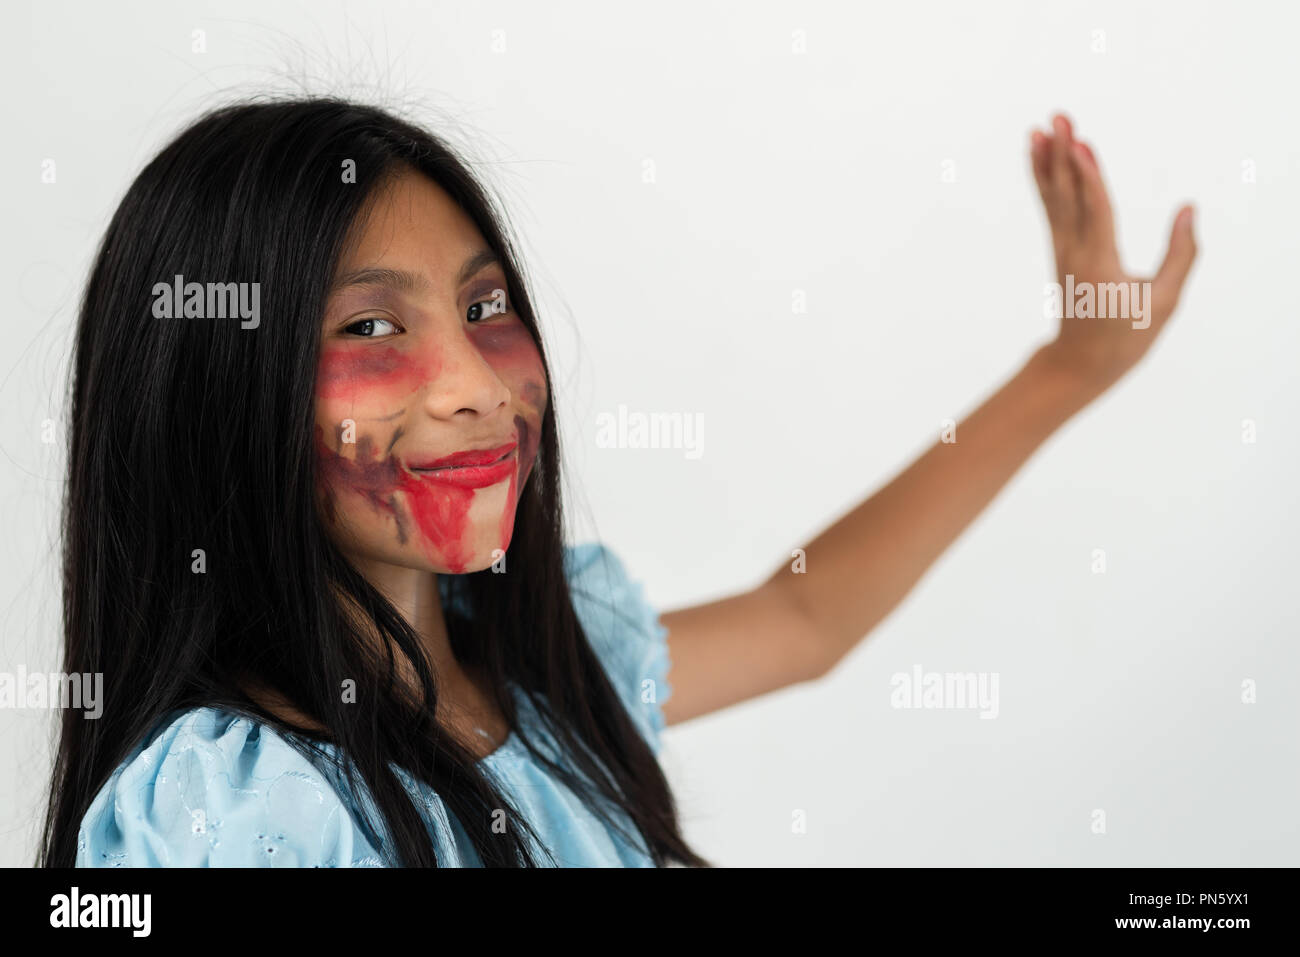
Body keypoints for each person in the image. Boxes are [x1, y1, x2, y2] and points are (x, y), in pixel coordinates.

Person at [41, 100, 1195, 867]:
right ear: (211, 391)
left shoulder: (552, 672)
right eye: (375, 325)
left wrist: (1068, 369)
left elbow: (805, 617)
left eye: (487, 309)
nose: (474, 387)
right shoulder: (239, 819)